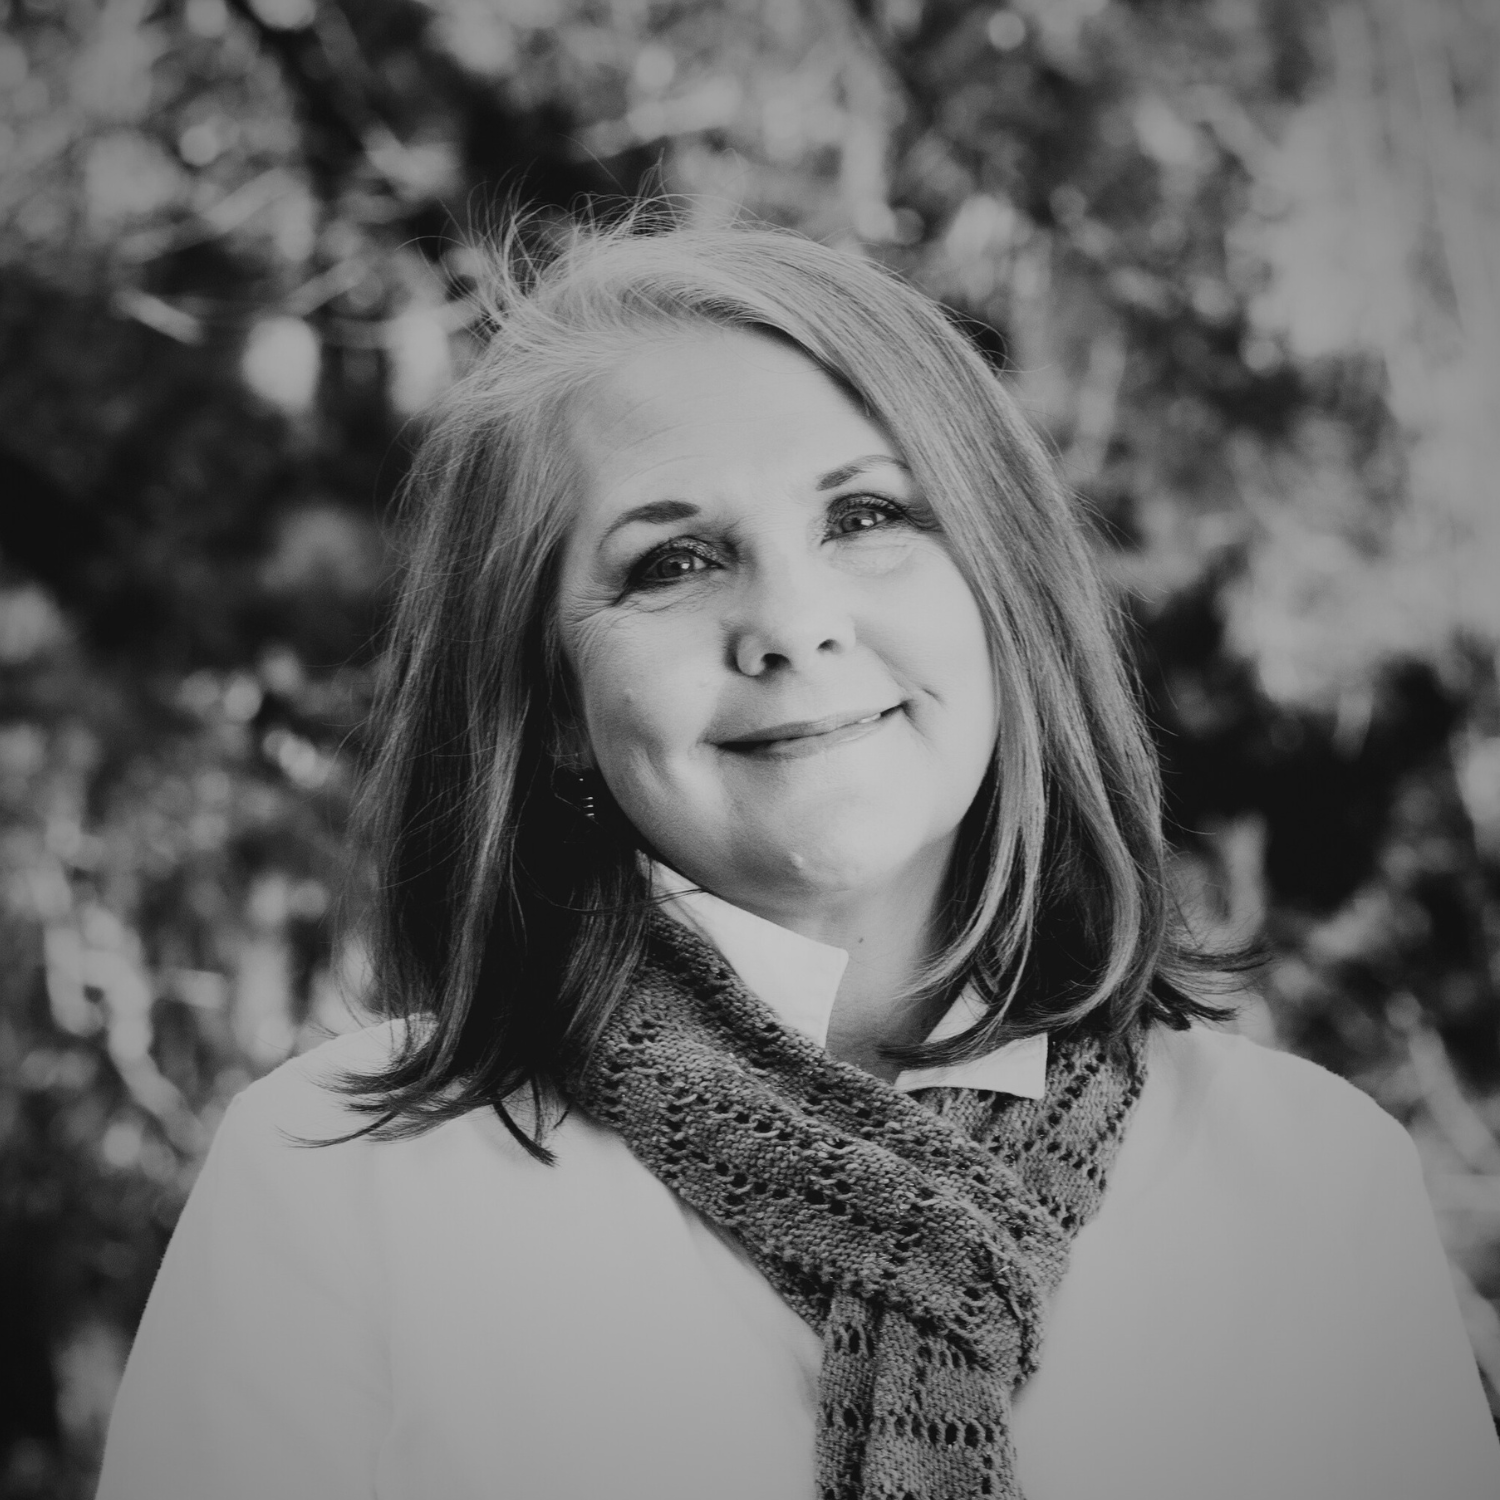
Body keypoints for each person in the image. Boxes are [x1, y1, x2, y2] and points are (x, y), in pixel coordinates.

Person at [97, 220, 1499, 1500]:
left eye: (870, 516)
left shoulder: (1313, 1188)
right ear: (556, 714)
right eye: (672, 562)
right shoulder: (343, 1187)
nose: (792, 621)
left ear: (1004, 601)